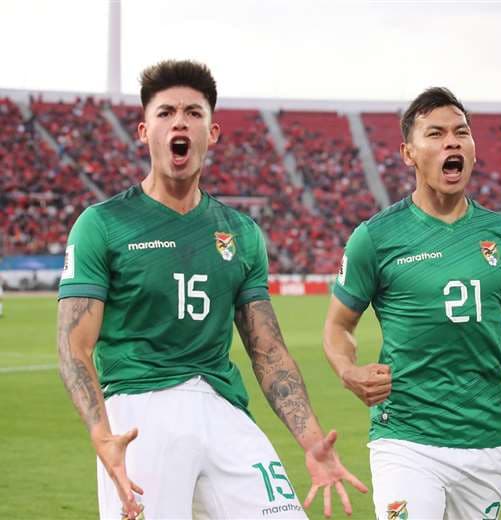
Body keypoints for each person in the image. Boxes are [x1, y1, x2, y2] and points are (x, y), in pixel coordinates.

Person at [56, 59, 366, 520]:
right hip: (141, 413)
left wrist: (312, 441)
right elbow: (73, 344)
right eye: (165, 113)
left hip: (223, 407)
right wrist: (102, 434)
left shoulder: (239, 232)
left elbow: (268, 350)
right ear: (144, 131)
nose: (179, 121)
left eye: (193, 113)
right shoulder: (102, 223)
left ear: (212, 132)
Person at [322, 87, 501, 520]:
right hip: (406, 436)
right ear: (408, 153)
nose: (452, 142)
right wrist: (348, 371)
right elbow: (338, 327)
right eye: (435, 134)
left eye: (461, 132)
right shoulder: (375, 237)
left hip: (488, 439)